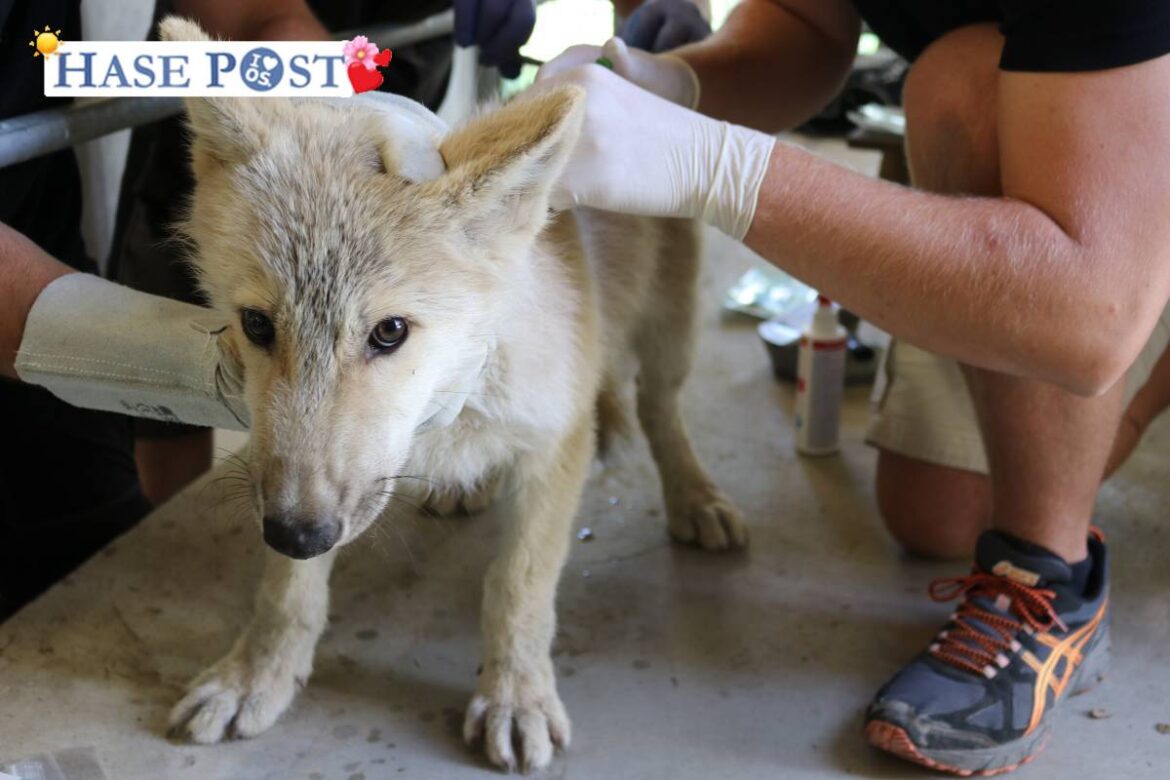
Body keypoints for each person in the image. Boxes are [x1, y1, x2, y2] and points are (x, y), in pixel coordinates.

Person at [534, 0, 1170, 775]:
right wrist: (675, 85)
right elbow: (806, 28)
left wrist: (712, 165)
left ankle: (1051, 577)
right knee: (941, 512)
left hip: (1124, 157)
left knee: (962, 85)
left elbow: (1087, 313)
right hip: (1071, 106)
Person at [0, 0, 537, 616]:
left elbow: (256, 13)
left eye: (388, 333)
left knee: (98, 553)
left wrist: (326, 103)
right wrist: (147, 359)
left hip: (33, 205)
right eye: (258, 325)